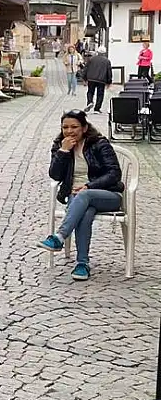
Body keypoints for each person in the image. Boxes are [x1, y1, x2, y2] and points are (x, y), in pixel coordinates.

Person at [37, 110, 124, 281]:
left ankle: (60, 236)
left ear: (84, 128)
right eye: (65, 127)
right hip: (79, 199)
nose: (69, 131)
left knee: (84, 196)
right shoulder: (60, 145)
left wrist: (89, 186)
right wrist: (63, 152)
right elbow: (55, 175)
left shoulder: (99, 144)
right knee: (85, 212)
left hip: (108, 194)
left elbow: (114, 173)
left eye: (74, 127)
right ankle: (82, 264)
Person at [83, 46, 113, 114]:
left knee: (90, 92)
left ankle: (90, 102)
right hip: (101, 80)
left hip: (91, 79)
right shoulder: (107, 61)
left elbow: (86, 69)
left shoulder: (91, 59)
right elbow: (109, 71)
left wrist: (84, 78)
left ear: (97, 52)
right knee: (100, 94)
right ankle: (97, 109)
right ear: (104, 53)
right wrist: (109, 81)